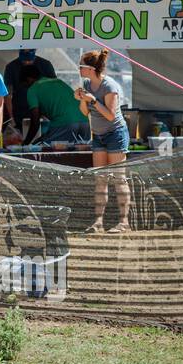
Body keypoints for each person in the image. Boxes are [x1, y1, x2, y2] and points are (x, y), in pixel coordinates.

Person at [76, 48, 130, 232]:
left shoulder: (110, 86)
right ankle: (98, 222)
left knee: (119, 178)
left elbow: (109, 115)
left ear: (91, 69)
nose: (79, 69)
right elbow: (84, 113)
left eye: (81, 66)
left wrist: (92, 101)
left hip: (115, 133)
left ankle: (124, 223)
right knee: (101, 179)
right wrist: (82, 100)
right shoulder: (87, 84)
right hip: (98, 135)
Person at [21, 69, 91, 145]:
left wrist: (26, 143)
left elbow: (35, 121)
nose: (25, 87)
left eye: (24, 84)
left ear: (29, 79)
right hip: (84, 122)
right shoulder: (58, 81)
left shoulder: (32, 89)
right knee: (81, 154)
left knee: (45, 149)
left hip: (65, 123)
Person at [4, 49, 56, 131]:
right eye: (24, 61)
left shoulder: (45, 65)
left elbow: (54, 91)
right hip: (20, 115)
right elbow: (7, 95)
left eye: (30, 60)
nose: (27, 63)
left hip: (42, 115)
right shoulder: (11, 67)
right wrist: (12, 118)